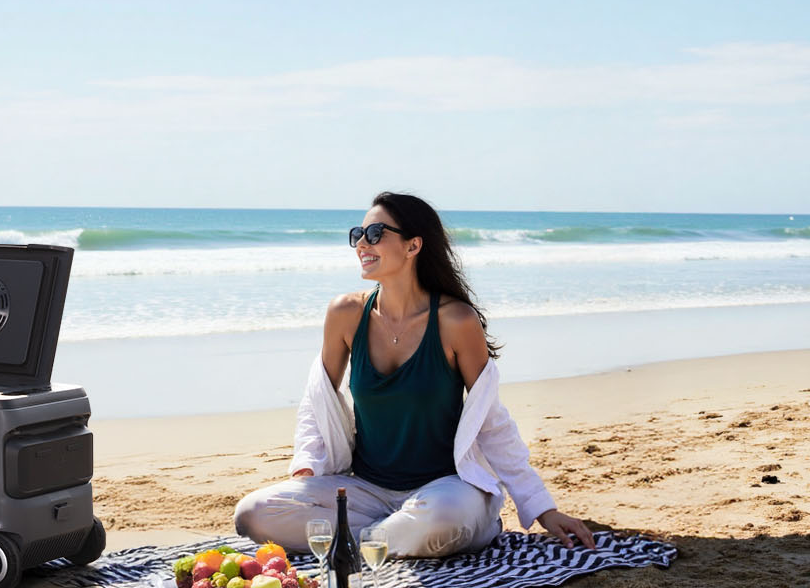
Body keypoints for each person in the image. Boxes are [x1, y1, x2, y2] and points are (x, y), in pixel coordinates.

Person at [234, 191, 596, 559]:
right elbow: (318, 402)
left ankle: (368, 539)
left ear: (413, 246)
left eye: (375, 233)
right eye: (357, 233)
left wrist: (540, 506)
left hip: (446, 490)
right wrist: (308, 465)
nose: (361, 242)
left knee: (442, 519)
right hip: (367, 491)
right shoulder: (346, 313)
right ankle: (386, 540)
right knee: (254, 515)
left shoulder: (456, 322)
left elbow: (491, 420)